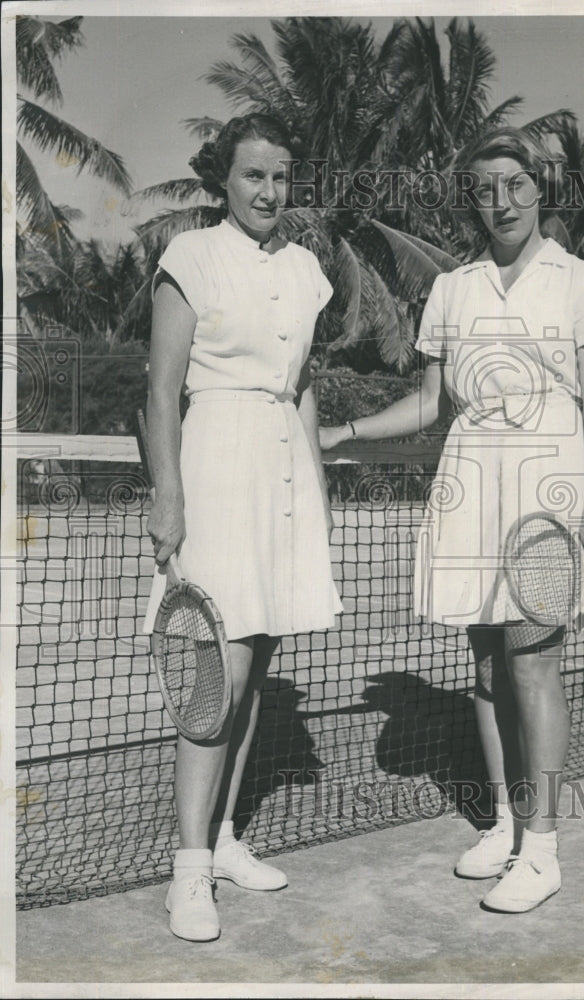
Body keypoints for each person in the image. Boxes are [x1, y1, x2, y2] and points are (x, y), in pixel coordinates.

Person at [320, 127, 584, 913]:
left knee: (533, 662)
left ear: (541, 187)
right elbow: (430, 403)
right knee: (487, 668)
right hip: (470, 485)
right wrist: (344, 431)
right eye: (486, 187)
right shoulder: (452, 288)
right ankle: (502, 821)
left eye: (516, 184)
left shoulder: (581, 280)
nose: (502, 202)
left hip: (549, 486)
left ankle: (544, 847)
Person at [143, 114, 341, 941]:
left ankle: (223, 840)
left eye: (281, 176)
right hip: (213, 461)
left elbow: (299, 391)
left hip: (284, 474)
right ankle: (187, 871)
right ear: (223, 179)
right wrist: (169, 495)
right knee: (211, 675)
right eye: (253, 175)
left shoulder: (307, 270)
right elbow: (159, 391)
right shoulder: (188, 257)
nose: (269, 191)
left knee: (255, 659)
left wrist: (320, 500)